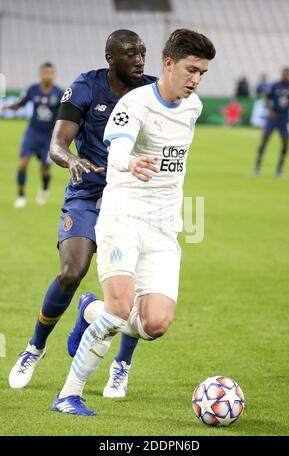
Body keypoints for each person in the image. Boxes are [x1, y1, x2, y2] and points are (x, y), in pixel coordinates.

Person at [51, 28, 216, 416]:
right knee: (121, 307)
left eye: (203, 73)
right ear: (169, 63)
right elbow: (120, 145)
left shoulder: (194, 108)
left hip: (163, 228)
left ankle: (89, 309)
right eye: (191, 69)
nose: (196, 79)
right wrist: (130, 162)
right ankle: (68, 395)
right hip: (122, 215)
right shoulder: (135, 104)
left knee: (154, 324)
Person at [8, 30, 156, 390]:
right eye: (130, 54)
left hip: (133, 198)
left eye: (142, 53)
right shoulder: (86, 87)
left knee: (134, 287)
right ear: (110, 58)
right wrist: (71, 159)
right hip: (88, 193)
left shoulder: (151, 91)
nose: (139, 60)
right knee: (72, 272)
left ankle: (121, 364)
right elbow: (57, 144)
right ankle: (35, 347)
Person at [2, 62, 64, 208]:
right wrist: (7, 107)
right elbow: (20, 104)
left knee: (45, 168)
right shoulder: (33, 89)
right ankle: (21, 197)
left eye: (50, 73)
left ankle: (44, 189)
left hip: (48, 137)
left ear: (53, 74)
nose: (47, 75)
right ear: (40, 74)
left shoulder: (59, 93)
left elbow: (63, 115)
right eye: (45, 72)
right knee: (23, 163)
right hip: (32, 133)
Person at [254, 67, 289, 176]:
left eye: (288, 74)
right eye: (284, 73)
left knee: (286, 144)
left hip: (284, 120)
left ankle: (279, 169)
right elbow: (266, 99)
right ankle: (257, 167)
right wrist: (270, 111)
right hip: (273, 119)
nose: (286, 75)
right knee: (264, 141)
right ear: (281, 74)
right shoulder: (275, 85)